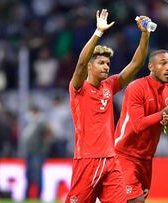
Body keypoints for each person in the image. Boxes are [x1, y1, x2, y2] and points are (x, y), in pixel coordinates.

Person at [65, 9, 151, 203]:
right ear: (90, 66)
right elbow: (79, 64)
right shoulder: (78, 88)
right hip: (87, 160)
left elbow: (136, 64)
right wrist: (98, 33)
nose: (106, 66)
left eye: (108, 63)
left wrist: (145, 35)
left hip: (111, 160)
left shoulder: (109, 86)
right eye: (101, 63)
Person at [114, 49, 168, 202]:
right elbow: (138, 125)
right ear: (150, 66)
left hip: (147, 160)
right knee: (136, 200)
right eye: (163, 63)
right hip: (124, 155)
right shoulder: (136, 88)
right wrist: (166, 111)